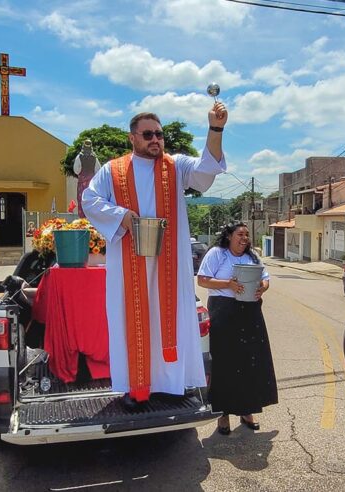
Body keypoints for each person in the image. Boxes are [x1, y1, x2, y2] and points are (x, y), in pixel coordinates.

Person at [82, 103, 228, 405]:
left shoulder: (175, 166)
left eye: (159, 134)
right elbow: (89, 199)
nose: (155, 140)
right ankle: (136, 388)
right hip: (128, 264)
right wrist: (120, 215)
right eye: (148, 134)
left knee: (171, 319)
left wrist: (215, 129)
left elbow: (205, 172)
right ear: (132, 138)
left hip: (170, 265)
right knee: (131, 321)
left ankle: (173, 386)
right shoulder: (113, 170)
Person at [196, 222, 278, 435]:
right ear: (229, 236)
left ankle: (247, 411)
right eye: (240, 234)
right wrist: (228, 284)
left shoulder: (252, 257)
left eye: (247, 235)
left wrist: (262, 288)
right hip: (224, 312)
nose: (244, 238)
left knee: (250, 361)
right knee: (224, 362)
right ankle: (223, 415)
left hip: (249, 313)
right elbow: (203, 280)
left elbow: (265, 278)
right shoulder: (217, 254)